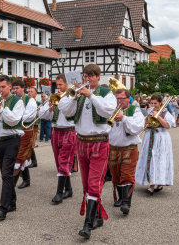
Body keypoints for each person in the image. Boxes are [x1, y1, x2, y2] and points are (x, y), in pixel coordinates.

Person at [59, 64, 117, 239]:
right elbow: (64, 108)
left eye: (91, 76)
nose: (88, 79)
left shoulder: (106, 94)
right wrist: (74, 97)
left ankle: (87, 225)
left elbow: (107, 110)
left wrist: (91, 95)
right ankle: (97, 217)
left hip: (99, 142)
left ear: (98, 77)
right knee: (86, 185)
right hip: (82, 142)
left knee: (93, 184)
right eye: (86, 76)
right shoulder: (79, 94)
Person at [0, 75, 25, 220]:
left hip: (11, 141)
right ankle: (12, 202)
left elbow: (14, 119)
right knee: (6, 174)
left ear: (10, 86)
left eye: (3, 87)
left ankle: (2, 209)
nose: (0, 90)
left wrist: (1, 109)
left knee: (6, 173)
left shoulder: (17, 102)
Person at [39, 74, 76, 205]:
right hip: (56, 132)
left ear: (66, 84)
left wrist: (62, 100)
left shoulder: (72, 96)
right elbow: (44, 116)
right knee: (59, 163)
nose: (58, 87)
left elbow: (72, 112)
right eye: (57, 84)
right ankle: (69, 189)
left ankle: (59, 193)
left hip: (68, 130)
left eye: (60, 84)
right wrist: (49, 108)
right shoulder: (55, 97)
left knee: (64, 161)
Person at [108, 89, 144, 215]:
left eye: (122, 98)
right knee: (116, 174)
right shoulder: (111, 110)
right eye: (117, 98)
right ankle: (121, 198)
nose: (119, 101)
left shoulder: (136, 111)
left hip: (129, 148)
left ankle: (126, 203)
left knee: (127, 175)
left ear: (128, 99)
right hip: (113, 148)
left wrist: (123, 118)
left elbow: (137, 127)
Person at [135, 94, 175, 194]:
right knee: (150, 159)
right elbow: (144, 123)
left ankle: (159, 182)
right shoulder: (149, 111)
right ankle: (151, 184)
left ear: (160, 103)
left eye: (155, 103)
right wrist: (147, 121)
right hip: (149, 136)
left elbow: (167, 125)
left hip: (161, 137)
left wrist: (157, 116)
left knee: (160, 159)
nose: (153, 105)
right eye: (151, 103)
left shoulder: (165, 112)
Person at [12, 80, 37, 189]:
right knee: (20, 156)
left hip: (26, 132)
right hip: (15, 132)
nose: (15, 90)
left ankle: (11, 184)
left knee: (19, 156)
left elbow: (29, 117)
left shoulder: (30, 100)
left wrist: (13, 118)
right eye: (14, 88)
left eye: (17, 88)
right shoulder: (13, 99)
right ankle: (26, 180)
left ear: (23, 88)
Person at [27, 87, 39, 168]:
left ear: (35, 94)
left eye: (31, 92)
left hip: (34, 126)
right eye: (29, 91)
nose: (29, 93)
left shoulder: (37, 102)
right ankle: (33, 161)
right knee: (28, 144)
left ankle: (34, 161)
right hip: (28, 126)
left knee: (31, 144)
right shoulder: (26, 101)